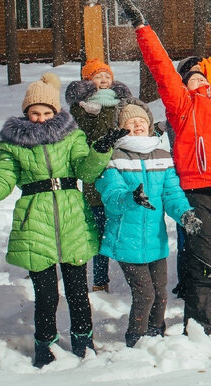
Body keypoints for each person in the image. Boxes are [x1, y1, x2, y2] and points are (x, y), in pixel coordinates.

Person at [0, 74, 123, 367]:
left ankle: (84, 342)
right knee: (45, 295)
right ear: (26, 113)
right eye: (34, 113)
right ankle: (46, 345)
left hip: (72, 222)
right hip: (34, 225)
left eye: (46, 113)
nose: (40, 119)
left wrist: (101, 149)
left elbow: (86, 172)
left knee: (78, 293)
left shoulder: (72, 137)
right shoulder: (12, 145)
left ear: (55, 113)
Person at [120, 0, 211, 335]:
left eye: (199, 76)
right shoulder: (181, 106)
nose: (195, 80)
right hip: (196, 192)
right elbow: (161, 68)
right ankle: (199, 325)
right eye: (189, 77)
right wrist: (141, 27)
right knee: (205, 263)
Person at [96, 102, 198, 347]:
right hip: (126, 240)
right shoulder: (114, 158)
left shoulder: (161, 156)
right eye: (131, 122)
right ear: (121, 129)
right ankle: (136, 337)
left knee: (161, 293)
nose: (138, 125)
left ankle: (156, 332)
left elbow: (171, 193)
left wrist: (184, 214)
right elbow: (111, 195)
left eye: (142, 121)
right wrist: (131, 198)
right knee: (145, 294)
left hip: (155, 238)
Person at [66, 58, 137, 293]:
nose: (104, 80)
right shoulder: (83, 107)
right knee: (100, 228)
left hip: (120, 169)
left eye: (107, 75)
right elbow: (92, 134)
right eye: (98, 76)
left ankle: (136, 277)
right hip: (95, 173)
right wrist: (103, 110)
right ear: (88, 82)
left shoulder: (122, 103)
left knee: (125, 227)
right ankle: (100, 279)